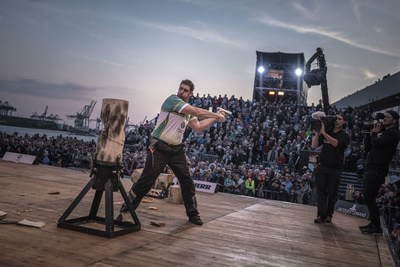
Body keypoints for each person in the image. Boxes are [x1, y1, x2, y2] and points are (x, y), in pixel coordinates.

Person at [119, 79, 225, 226]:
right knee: (147, 179)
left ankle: (193, 214)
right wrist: (216, 115)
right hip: (159, 147)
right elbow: (197, 111)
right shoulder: (173, 100)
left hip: (176, 149)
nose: (182, 92)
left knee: (186, 181)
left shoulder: (186, 110)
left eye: (185, 90)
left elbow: (198, 127)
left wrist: (214, 118)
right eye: (181, 88)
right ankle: (127, 207)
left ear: (190, 93)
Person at [359, 110, 400, 234]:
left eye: (388, 117)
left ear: (395, 120)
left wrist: (374, 134)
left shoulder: (393, 133)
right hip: (372, 168)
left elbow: (376, 143)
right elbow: (368, 147)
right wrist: (368, 134)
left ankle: (376, 227)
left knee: (369, 197)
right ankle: (374, 224)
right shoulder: (385, 132)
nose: (385, 118)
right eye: (385, 116)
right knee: (368, 197)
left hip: (377, 170)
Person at [311, 112, 349, 224]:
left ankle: (329, 215)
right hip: (322, 166)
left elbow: (336, 143)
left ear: (344, 122)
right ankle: (321, 215)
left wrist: (324, 133)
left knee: (332, 193)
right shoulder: (327, 131)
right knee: (321, 193)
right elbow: (314, 146)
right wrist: (318, 133)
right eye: (336, 118)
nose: (337, 120)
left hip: (335, 168)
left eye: (340, 119)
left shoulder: (344, 135)